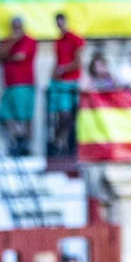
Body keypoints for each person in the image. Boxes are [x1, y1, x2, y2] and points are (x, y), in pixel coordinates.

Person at [0, 17, 37, 157]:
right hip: (9, 85)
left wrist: (8, 56)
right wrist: (12, 42)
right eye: (14, 27)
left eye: (19, 27)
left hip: (23, 84)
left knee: (24, 116)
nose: (17, 30)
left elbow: (20, 56)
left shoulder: (29, 40)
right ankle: (17, 140)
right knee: (4, 115)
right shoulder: (8, 40)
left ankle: (26, 144)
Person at [49, 13, 85, 158]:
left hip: (72, 82)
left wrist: (64, 69)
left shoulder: (75, 39)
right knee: (60, 115)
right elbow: (57, 61)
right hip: (60, 83)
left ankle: (62, 141)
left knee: (68, 115)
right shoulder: (58, 42)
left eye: (61, 23)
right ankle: (59, 142)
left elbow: (78, 61)